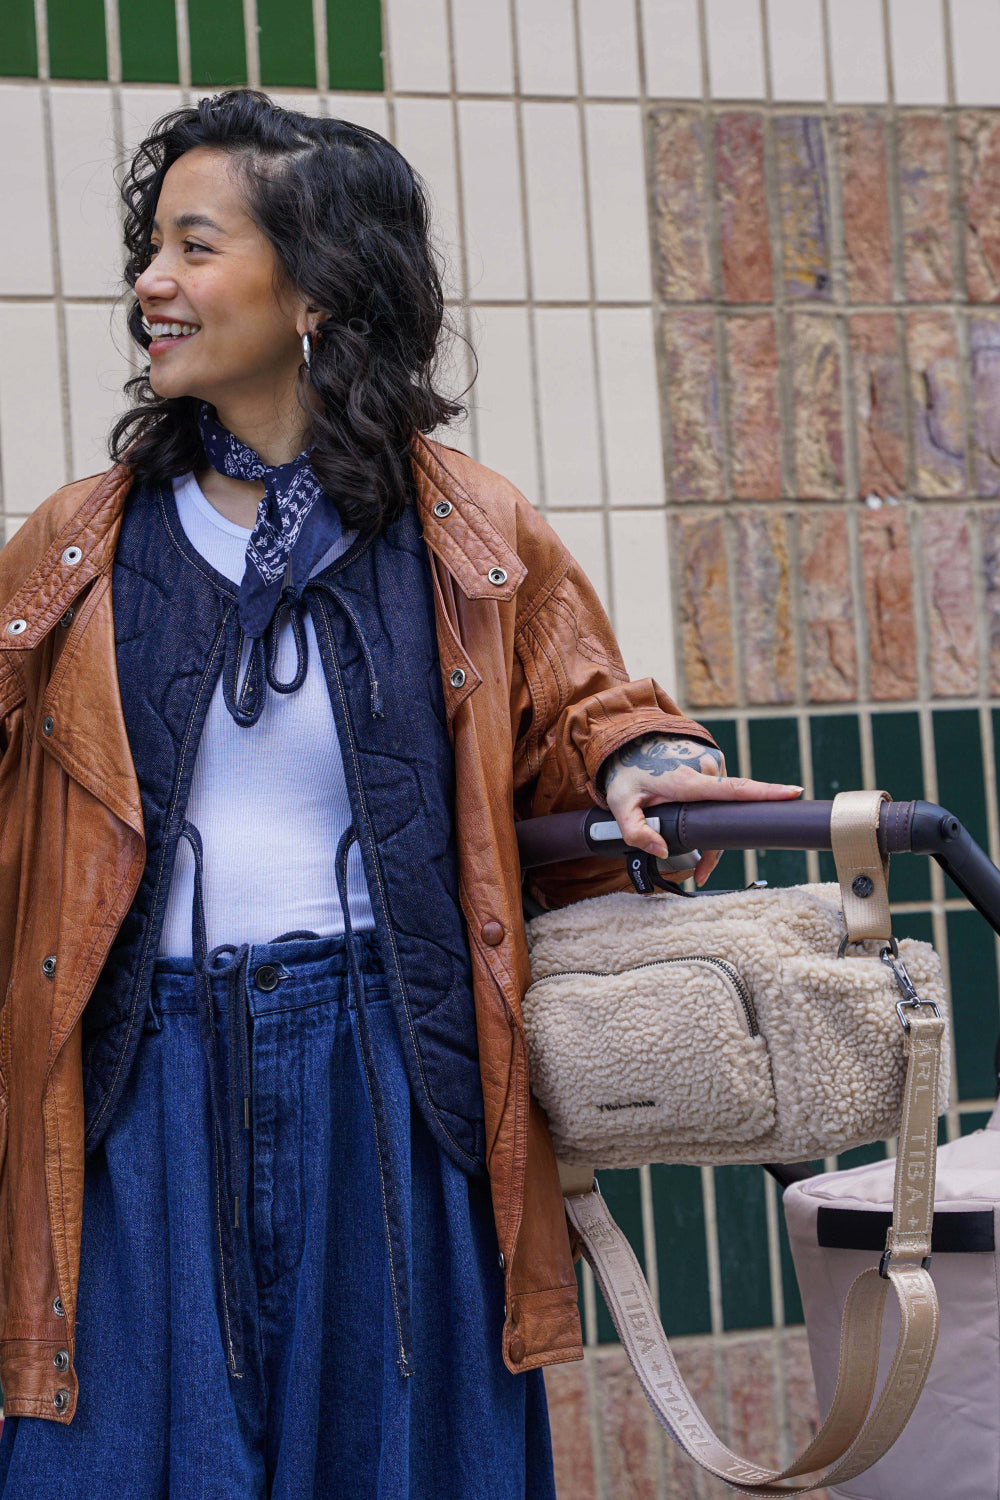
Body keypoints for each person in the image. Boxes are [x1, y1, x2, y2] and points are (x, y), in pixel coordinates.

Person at [0, 89, 803, 1497]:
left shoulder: (467, 527)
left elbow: (587, 704)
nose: (151, 285)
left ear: (315, 287)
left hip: (389, 1057)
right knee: (110, 1456)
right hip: (137, 1075)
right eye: (153, 246)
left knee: (401, 1463)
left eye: (195, 248)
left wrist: (647, 764)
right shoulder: (77, 545)